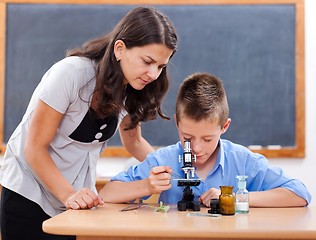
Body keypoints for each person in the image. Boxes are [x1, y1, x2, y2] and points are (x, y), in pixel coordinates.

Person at [0, 6, 177, 240]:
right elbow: (34, 148)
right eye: (147, 61)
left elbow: (134, 142)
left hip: (71, 205)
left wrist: (173, 172)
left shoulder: (130, 89)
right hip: (29, 195)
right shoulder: (70, 74)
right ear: (120, 48)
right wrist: (69, 195)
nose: (153, 74)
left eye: (161, 66)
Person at [100, 72, 311, 208]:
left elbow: (299, 194)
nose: (197, 149)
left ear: (224, 127)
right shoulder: (162, 160)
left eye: (208, 139)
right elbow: (108, 193)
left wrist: (233, 199)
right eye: (187, 137)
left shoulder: (243, 161)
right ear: (177, 123)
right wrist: (147, 186)